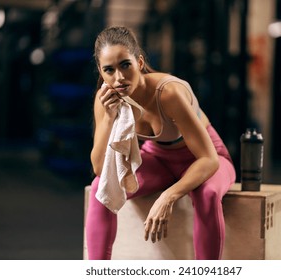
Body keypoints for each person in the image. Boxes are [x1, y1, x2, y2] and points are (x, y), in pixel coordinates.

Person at [85, 26, 236, 260]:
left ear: (140, 62)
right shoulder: (105, 99)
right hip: (159, 160)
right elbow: (99, 169)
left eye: (125, 65)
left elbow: (208, 159)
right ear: (100, 72)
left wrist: (168, 196)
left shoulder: (168, 93)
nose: (119, 78)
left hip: (205, 158)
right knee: (99, 188)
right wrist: (108, 119)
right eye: (109, 70)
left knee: (206, 195)